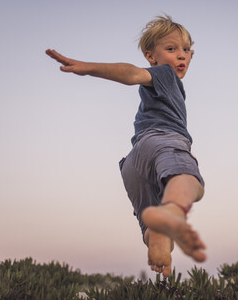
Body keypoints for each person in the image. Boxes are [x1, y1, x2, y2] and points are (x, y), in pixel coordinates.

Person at [45, 15, 206, 277]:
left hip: (134, 164)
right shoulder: (165, 75)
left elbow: (136, 76)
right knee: (187, 179)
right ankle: (173, 211)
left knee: (149, 221)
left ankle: (155, 236)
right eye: (171, 48)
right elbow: (131, 73)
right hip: (164, 140)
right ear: (151, 56)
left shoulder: (162, 84)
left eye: (186, 50)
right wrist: (89, 67)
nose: (182, 56)